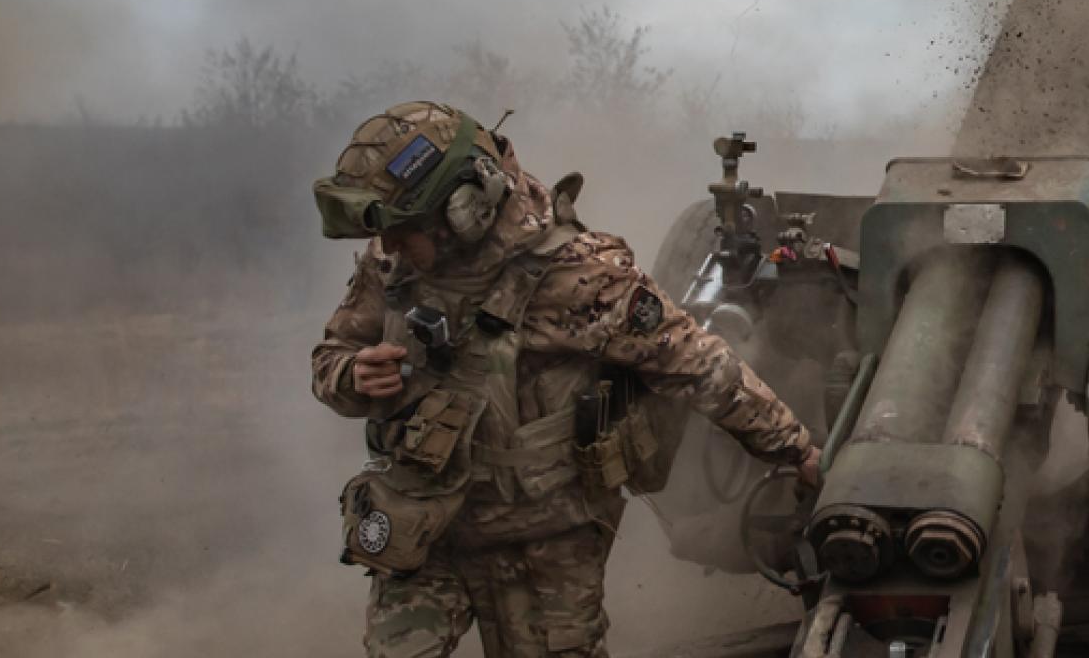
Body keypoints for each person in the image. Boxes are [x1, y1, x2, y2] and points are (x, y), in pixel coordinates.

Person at [308, 101, 822, 657]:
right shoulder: (391, 266)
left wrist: (795, 450)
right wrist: (350, 376)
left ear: (464, 208)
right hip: (425, 532)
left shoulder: (582, 277)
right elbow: (333, 352)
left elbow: (698, 366)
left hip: (543, 545)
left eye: (404, 232)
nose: (387, 248)